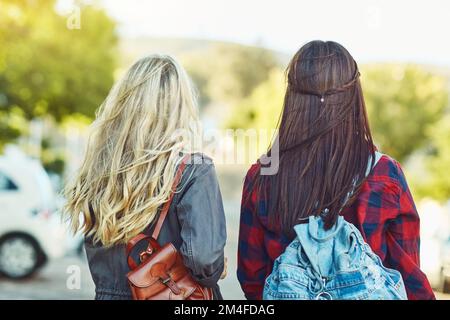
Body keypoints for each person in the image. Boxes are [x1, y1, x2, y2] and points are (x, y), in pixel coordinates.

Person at [237, 40, 435, 300]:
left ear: (292, 97)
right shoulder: (384, 175)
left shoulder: (262, 177)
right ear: (353, 97)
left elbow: (252, 278)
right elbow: (407, 274)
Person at [63, 54, 226, 299]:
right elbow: (204, 260)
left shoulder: (97, 170)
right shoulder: (194, 170)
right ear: (180, 106)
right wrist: (218, 268)